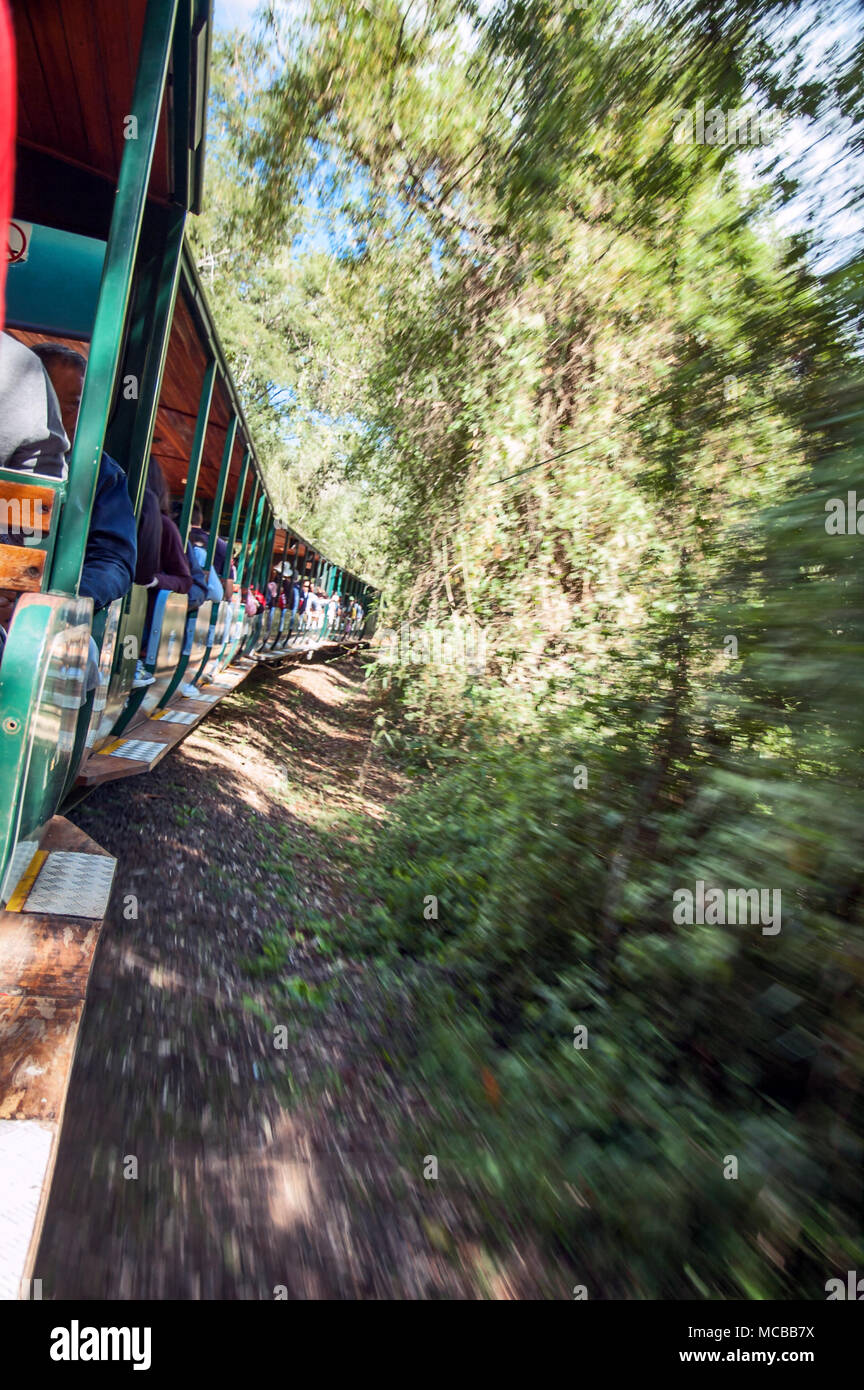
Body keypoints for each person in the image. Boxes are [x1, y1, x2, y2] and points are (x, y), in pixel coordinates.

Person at [30, 344, 137, 614]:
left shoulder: (104, 474)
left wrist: (63, 600)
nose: (75, 418)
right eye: (50, 401)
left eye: (76, 405)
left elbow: (113, 562)